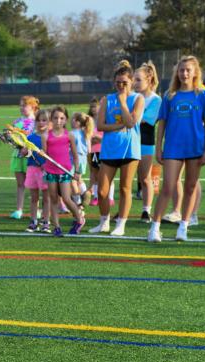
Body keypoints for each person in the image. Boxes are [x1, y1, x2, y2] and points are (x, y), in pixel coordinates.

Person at [148, 55, 205, 243]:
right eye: (181, 70)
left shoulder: (203, 95)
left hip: (195, 147)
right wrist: (158, 149)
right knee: (167, 187)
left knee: (190, 187)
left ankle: (183, 227)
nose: (184, 73)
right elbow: (162, 125)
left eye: (188, 70)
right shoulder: (169, 95)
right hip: (173, 148)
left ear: (195, 72)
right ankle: (154, 228)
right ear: (177, 72)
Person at [89, 60, 144, 237]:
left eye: (125, 82)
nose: (121, 86)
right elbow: (101, 125)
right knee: (103, 190)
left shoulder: (138, 98)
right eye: (118, 82)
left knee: (125, 189)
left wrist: (122, 102)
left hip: (129, 150)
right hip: (110, 150)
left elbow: (131, 122)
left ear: (131, 82)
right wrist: (116, 127)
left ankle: (121, 224)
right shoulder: (107, 99)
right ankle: (104, 222)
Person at [42, 106, 84, 236]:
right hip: (50, 172)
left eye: (62, 118)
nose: (58, 121)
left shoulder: (69, 135)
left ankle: (79, 219)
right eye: (55, 118)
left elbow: (76, 157)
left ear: (66, 120)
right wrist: (40, 153)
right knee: (53, 200)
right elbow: (44, 153)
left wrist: (77, 171)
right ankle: (57, 227)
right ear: (51, 119)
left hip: (65, 172)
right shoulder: (45, 135)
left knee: (66, 198)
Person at [134, 62, 162, 222]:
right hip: (129, 143)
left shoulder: (156, 100)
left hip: (145, 143)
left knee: (145, 178)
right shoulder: (132, 96)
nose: (134, 83)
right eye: (134, 79)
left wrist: (128, 117)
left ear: (149, 79)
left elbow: (144, 120)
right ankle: (123, 211)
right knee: (126, 179)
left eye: (138, 80)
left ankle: (146, 210)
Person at [9, 96, 38, 219]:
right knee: (20, 184)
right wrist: (9, 138)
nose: (21, 108)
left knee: (34, 185)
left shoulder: (37, 122)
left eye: (24, 105)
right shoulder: (16, 122)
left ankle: (37, 210)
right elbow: (12, 139)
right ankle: (19, 210)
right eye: (20, 105)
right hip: (18, 155)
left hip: (31, 156)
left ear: (33, 107)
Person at [23, 109, 51, 233]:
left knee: (46, 198)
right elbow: (25, 152)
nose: (41, 123)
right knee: (34, 198)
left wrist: (47, 164)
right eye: (39, 120)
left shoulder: (51, 137)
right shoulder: (30, 137)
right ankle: (33, 221)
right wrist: (23, 151)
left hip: (45, 171)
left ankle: (46, 221)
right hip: (32, 169)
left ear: (50, 122)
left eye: (44, 120)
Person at [70, 112, 92, 209]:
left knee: (72, 181)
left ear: (77, 122)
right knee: (78, 178)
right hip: (83, 160)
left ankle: (78, 202)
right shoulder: (86, 133)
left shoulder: (72, 133)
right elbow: (89, 150)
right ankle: (85, 191)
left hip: (74, 159)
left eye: (72, 119)